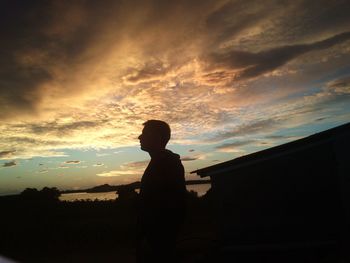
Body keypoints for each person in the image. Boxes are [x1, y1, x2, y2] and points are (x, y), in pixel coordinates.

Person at [137, 120, 186, 263]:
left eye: (144, 134)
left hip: (158, 240)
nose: (139, 137)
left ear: (157, 137)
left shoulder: (167, 163)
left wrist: (153, 240)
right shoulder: (161, 162)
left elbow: (171, 206)